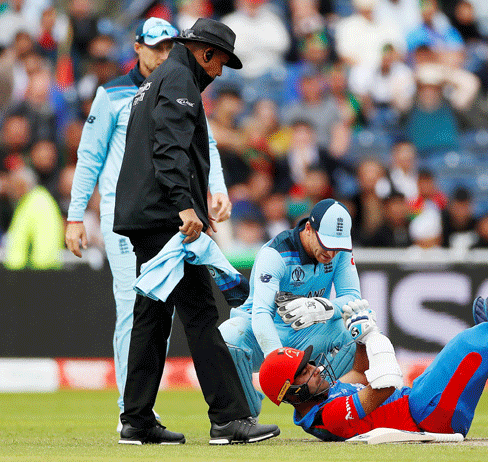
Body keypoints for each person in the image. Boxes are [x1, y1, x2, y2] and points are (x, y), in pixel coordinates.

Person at [112, 18, 279, 445]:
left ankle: (136, 419)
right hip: (168, 220)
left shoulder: (158, 80)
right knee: (202, 314)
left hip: (145, 216)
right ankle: (229, 418)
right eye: (220, 63)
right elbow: (168, 148)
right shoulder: (181, 79)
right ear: (205, 53)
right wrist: (185, 206)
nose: (219, 73)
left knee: (151, 317)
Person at [64, 17, 234, 432]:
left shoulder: (163, 88)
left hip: (158, 212)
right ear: (137, 47)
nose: (161, 54)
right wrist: (74, 215)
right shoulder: (120, 93)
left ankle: (136, 416)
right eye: (154, 47)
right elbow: (90, 157)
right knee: (140, 306)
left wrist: (216, 187)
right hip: (145, 212)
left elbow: (202, 142)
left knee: (151, 309)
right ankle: (137, 409)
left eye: (166, 47)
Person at [258, 297, 488, 441]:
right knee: (486, 334)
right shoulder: (326, 416)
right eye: (303, 371)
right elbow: (384, 384)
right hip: (424, 416)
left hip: (419, 404)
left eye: (309, 363)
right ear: (293, 392)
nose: (314, 368)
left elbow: (359, 375)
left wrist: (357, 336)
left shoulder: (323, 398)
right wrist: (373, 335)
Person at [218, 198, 362, 418]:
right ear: (308, 229)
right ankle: (244, 415)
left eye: (337, 247)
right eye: (326, 244)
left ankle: (326, 413)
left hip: (306, 334)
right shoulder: (275, 254)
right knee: (228, 336)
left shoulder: (340, 250)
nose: (331, 253)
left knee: (356, 328)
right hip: (263, 333)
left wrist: (323, 307)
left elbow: (352, 297)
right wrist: (280, 361)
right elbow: (262, 314)